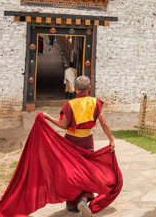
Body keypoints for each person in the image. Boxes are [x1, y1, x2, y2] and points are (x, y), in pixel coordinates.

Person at [45, 75, 115, 216]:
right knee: (87, 170)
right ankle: (83, 198)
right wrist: (111, 139)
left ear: (75, 88)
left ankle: (71, 204)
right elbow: (104, 122)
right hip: (87, 140)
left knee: (71, 171)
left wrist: (47, 117)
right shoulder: (95, 103)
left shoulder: (69, 105)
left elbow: (63, 125)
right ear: (89, 88)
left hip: (71, 141)